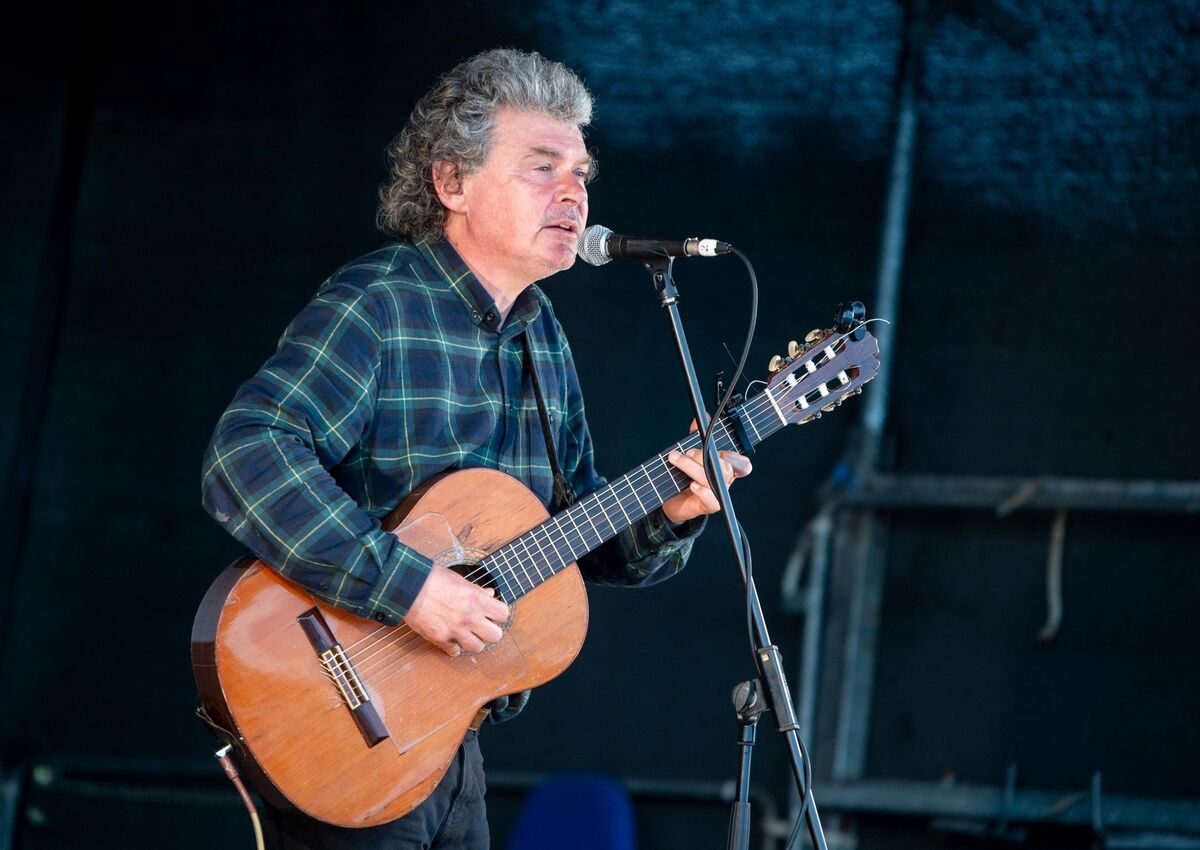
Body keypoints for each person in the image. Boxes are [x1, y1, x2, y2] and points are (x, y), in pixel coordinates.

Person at [200, 48, 751, 849]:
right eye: (542, 166)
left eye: (581, 172)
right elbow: (245, 454)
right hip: (341, 731)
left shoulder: (543, 337)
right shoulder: (381, 302)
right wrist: (410, 588)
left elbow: (576, 535)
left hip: (448, 737)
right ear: (451, 182)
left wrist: (674, 508)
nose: (574, 192)